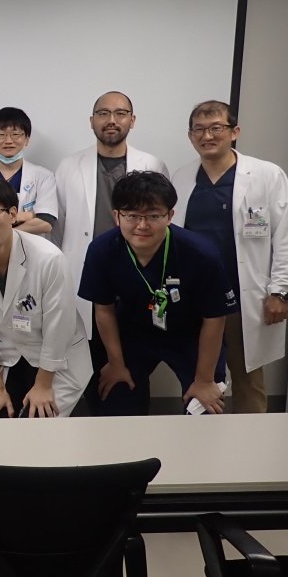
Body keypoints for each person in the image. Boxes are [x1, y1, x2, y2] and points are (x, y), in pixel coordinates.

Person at [171, 100, 288, 413]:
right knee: (199, 377)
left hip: (245, 297)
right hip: (196, 299)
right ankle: (203, 435)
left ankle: (251, 439)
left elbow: (285, 237)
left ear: (234, 132)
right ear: (190, 136)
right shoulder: (182, 178)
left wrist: (281, 291)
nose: (207, 136)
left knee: (248, 380)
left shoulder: (267, 175)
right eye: (199, 130)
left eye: (216, 128)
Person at [78, 171, 237, 416]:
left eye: (153, 216)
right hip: (133, 334)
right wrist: (116, 363)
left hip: (191, 336)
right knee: (116, 398)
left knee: (205, 408)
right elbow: (104, 310)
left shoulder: (201, 253)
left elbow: (214, 318)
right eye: (132, 215)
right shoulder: (102, 250)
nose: (142, 225)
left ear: (170, 216)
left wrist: (205, 380)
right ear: (117, 216)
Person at [54, 91, 168, 410]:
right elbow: (58, 227)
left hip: (136, 279)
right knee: (89, 365)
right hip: (87, 279)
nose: (112, 120)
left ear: (132, 120)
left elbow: (162, 223)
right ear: (92, 121)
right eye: (103, 113)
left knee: (133, 368)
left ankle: (129, 431)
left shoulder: (153, 164)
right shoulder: (68, 166)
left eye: (120, 113)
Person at [0, 178, 90, 418]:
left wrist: (43, 385)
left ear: (13, 214)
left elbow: (59, 327)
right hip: (9, 354)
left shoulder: (48, 258)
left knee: (38, 422)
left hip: (57, 358)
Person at [0, 106, 57, 236]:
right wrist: (29, 215)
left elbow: (46, 222)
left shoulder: (44, 177)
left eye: (15, 134)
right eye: (1, 135)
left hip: (31, 246)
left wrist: (5, 233)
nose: (8, 141)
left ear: (27, 139)